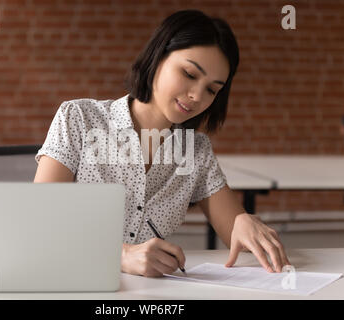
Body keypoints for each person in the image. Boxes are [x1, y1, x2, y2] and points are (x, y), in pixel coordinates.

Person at [34, 9, 291, 277]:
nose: (196, 96)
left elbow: (238, 236)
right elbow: (39, 223)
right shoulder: (79, 119)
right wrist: (119, 255)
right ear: (158, 58)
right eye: (190, 74)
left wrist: (244, 224)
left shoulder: (195, 152)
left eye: (212, 90)